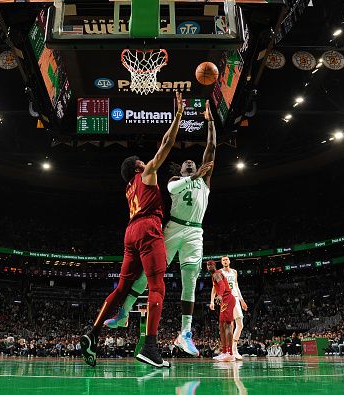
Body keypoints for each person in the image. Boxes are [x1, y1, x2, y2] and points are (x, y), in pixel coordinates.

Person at [80, 92, 188, 369]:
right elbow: (167, 143)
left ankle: (93, 332)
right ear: (137, 166)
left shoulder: (129, 188)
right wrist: (178, 115)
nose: (145, 160)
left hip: (130, 232)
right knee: (157, 287)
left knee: (122, 287)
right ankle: (150, 347)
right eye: (141, 159)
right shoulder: (147, 174)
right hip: (149, 227)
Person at [104, 100, 217, 357]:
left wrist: (210, 122)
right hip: (173, 228)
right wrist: (195, 175)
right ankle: (124, 312)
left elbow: (210, 147)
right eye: (187, 163)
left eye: (193, 162)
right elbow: (173, 188)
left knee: (190, 281)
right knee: (147, 273)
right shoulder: (175, 180)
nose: (190, 162)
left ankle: (184, 334)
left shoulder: (205, 179)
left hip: (195, 232)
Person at [210, 256, 247, 360]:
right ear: (221, 263)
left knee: (240, 324)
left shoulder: (234, 272)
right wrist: (212, 300)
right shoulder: (219, 272)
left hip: (234, 297)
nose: (225, 261)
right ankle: (230, 351)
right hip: (225, 299)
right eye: (223, 260)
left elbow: (236, 286)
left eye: (227, 259)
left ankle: (233, 349)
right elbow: (214, 288)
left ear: (229, 261)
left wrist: (241, 299)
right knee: (228, 324)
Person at [206, 260, 236, 362]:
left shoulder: (217, 273)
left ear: (215, 266)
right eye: (208, 266)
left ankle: (230, 353)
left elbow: (222, 286)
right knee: (221, 326)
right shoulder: (214, 275)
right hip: (224, 300)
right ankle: (224, 352)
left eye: (211, 265)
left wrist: (219, 295)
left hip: (227, 298)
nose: (209, 267)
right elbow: (216, 288)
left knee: (227, 325)